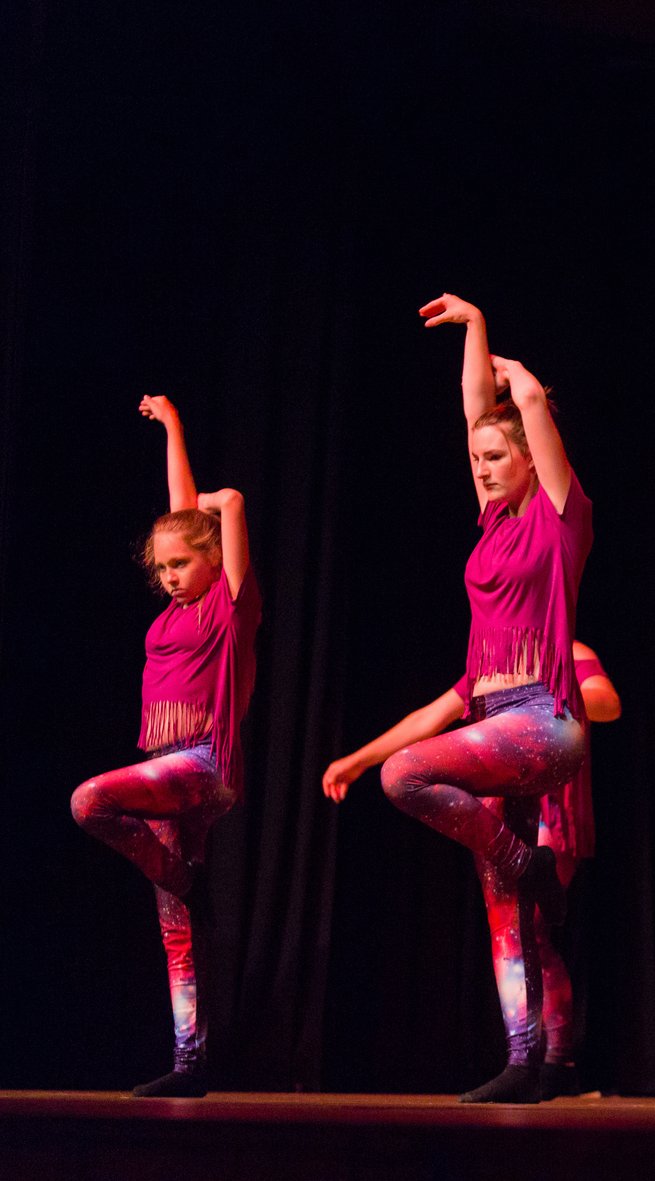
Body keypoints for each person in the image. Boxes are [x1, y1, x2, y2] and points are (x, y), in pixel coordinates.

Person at [321, 292, 594, 1103]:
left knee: (408, 775)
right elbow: (475, 414)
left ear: (533, 461)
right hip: (490, 722)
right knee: (508, 910)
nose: (482, 466)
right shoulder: (491, 526)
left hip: (543, 719)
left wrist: (520, 378)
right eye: (476, 458)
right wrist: (474, 331)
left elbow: (522, 411)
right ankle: (530, 1061)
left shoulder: (561, 519)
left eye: (497, 457)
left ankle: (527, 865)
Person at [324, 641, 618, 1101]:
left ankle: (557, 1060)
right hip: (504, 809)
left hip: (554, 813)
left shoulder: (564, 650)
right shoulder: (493, 663)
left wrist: (551, 693)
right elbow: (428, 718)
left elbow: (606, 702)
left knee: (531, 927)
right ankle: (543, 1060)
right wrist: (357, 761)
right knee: (519, 929)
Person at [71, 395, 260, 1098]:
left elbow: (225, 505)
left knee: (90, 800)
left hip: (206, 764)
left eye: (182, 563)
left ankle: (184, 879)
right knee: (176, 929)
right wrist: (174, 424)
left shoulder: (230, 606)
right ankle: (190, 1063)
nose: (171, 575)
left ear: (214, 560)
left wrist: (212, 505)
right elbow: (183, 516)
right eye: (163, 568)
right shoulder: (175, 610)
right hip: (164, 768)